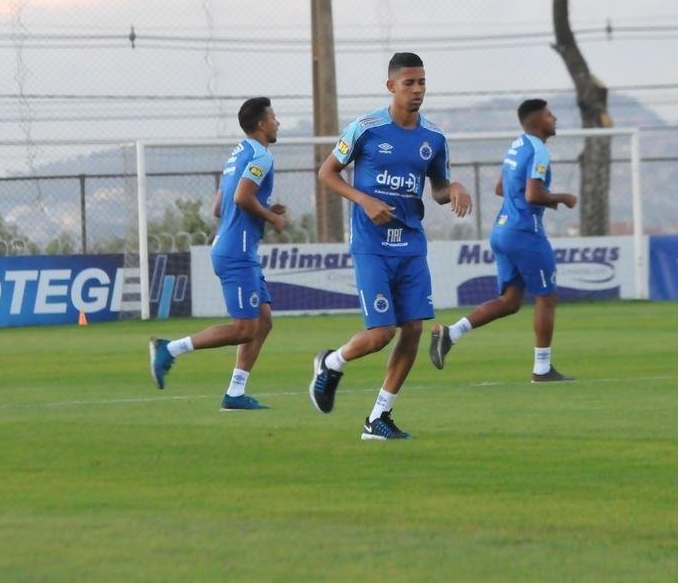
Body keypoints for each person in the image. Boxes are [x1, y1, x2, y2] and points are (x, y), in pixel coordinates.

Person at [308, 52, 473, 440]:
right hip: (371, 245)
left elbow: (438, 191)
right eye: (409, 84)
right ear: (391, 86)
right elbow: (326, 173)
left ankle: (378, 418)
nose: (417, 91)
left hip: (411, 245)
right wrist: (363, 199)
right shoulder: (366, 128)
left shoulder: (434, 137)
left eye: (422, 84)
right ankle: (331, 362)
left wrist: (457, 187)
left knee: (413, 328)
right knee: (381, 334)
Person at [149, 97, 286, 410]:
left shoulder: (237, 154)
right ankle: (169, 349)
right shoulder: (261, 155)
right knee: (244, 328)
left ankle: (235, 394)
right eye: (274, 118)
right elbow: (240, 198)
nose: (277, 123)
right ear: (262, 124)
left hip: (233, 246)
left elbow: (217, 206)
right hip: (236, 251)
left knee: (262, 321)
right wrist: (272, 217)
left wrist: (263, 209)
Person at [430, 98, 577, 381]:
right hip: (525, 232)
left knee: (510, 301)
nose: (554, 118)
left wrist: (525, 200)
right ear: (537, 121)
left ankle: (452, 332)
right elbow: (534, 195)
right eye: (549, 114)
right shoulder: (539, 151)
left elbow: (500, 187)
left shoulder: (517, 145)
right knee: (546, 296)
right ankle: (542, 369)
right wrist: (562, 198)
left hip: (502, 228)